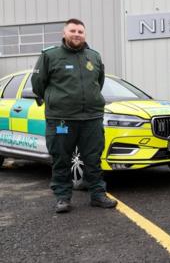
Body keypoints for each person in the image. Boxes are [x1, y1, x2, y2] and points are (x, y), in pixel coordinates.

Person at [32, 18, 117, 213]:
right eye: (73, 31)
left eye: (80, 31)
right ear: (64, 33)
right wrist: (58, 101)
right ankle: (63, 197)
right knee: (61, 158)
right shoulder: (50, 56)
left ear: (84, 34)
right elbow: (38, 83)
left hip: (91, 118)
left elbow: (99, 82)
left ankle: (97, 195)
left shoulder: (94, 57)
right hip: (62, 119)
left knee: (93, 158)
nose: (77, 34)